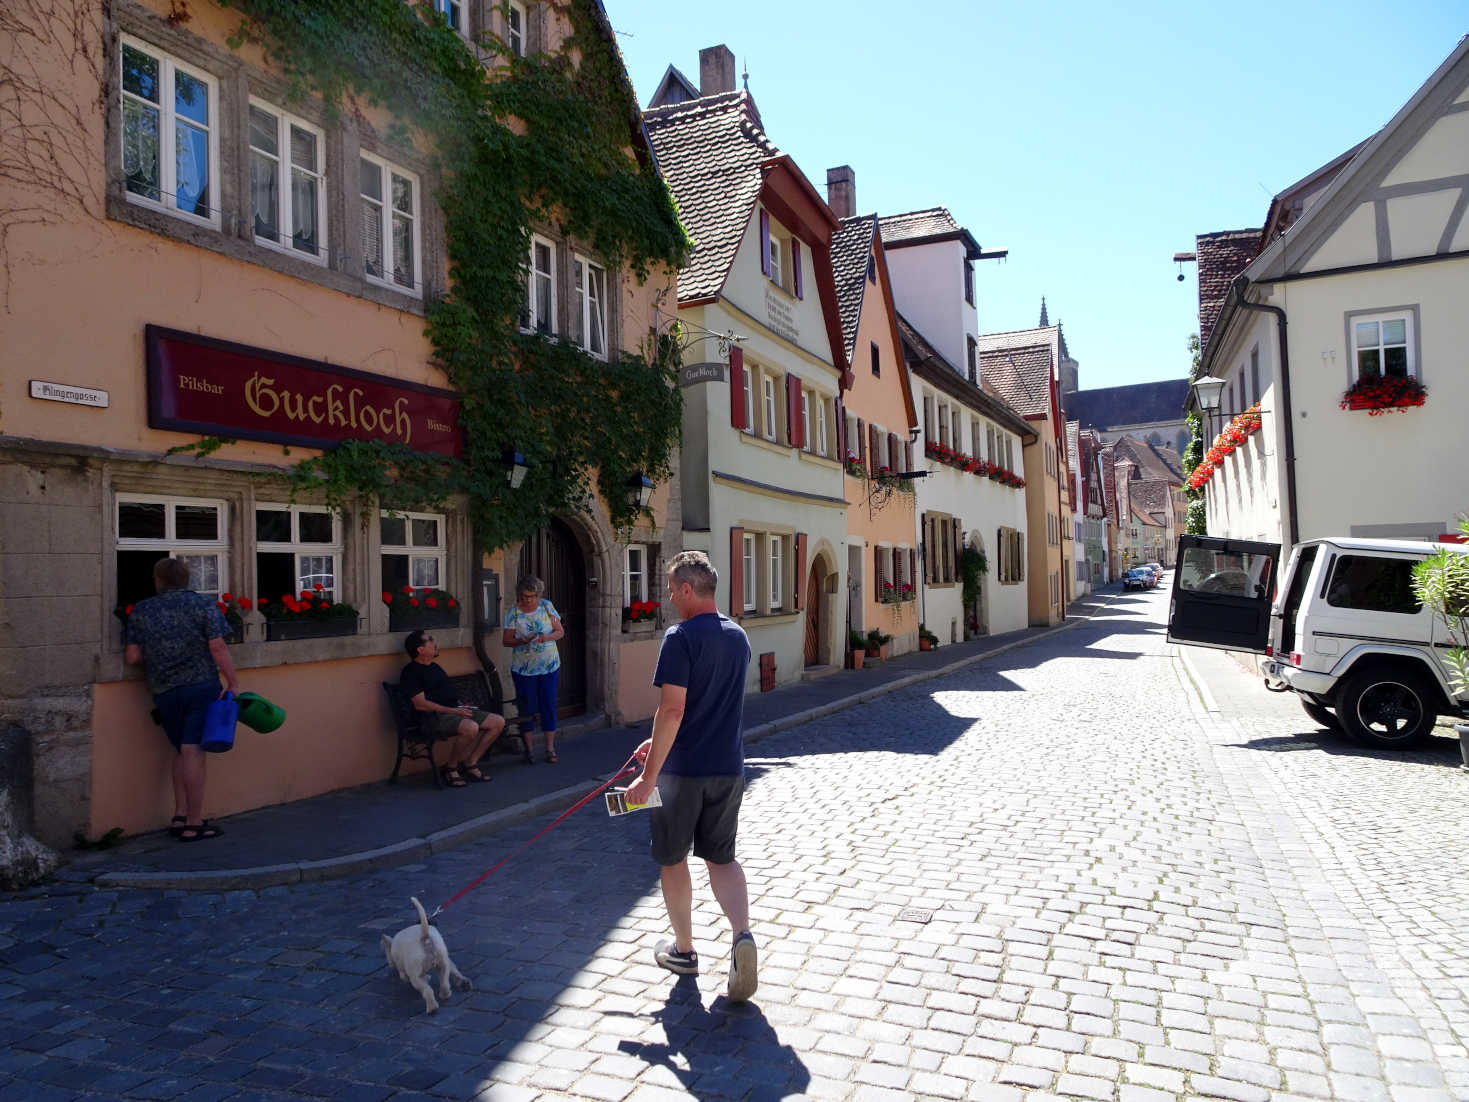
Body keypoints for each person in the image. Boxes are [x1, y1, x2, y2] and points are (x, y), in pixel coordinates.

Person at [623, 550, 758, 1002]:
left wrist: (648, 774)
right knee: (723, 859)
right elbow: (704, 707)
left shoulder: (679, 637)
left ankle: (684, 951)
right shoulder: (738, 637)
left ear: (686, 589)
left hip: (681, 774)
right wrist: (655, 743)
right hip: (728, 767)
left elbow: (675, 708)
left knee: (672, 858)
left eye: (669, 588)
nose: (667, 596)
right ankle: (742, 936)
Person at [123, 557, 242, 843]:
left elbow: (133, 657)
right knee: (193, 753)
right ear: (189, 580)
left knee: (181, 750)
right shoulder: (202, 605)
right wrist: (233, 682)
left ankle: (178, 815)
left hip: (164, 691)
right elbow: (217, 645)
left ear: (158, 581)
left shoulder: (141, 610)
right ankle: (193, 823)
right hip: (201, 686)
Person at [400, 630, 506, 787]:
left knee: (498, 722)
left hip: (454, 711)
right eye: (430, 640)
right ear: (420, 650)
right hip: (431, 718)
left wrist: (461, 705)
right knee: (471, 728)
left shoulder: (435, 667)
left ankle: (471, 763)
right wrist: (453, 711)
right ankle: (451, 767)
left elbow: (447, 694)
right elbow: (420, 704)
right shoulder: (411, 672)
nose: (435, 643)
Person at [501, 575, 564, 763]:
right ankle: (528, 749)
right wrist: (521, 640)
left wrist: (547, 638)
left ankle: (550, 749)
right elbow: (506, 641)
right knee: (526, 708)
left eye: (532, 596)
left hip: (549, 666)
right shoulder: (513, 612)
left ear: (539, 595)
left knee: (548, 705)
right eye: (525, 596)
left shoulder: (546, 606)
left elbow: (560, 631)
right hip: (524, 669)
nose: (528, 600)